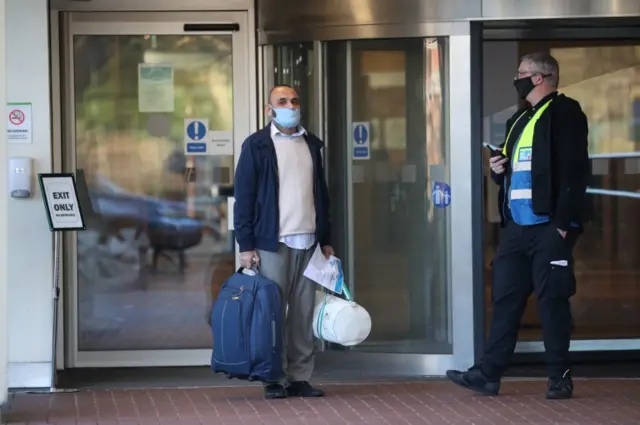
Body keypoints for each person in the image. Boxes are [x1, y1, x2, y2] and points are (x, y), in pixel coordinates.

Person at [446, 52, 589, 399]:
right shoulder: (519, 120)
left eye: (522, 73)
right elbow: (521, 174)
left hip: (548, 228)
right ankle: (489, 374)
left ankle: (559, 377)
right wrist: (500, 170)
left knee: (552, 301)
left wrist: (562, 225)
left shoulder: (565, 112)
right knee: (506, 299)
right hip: (517, 229)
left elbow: (574, 170)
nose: (517, 79)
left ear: (540, 77)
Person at [234, 84, 333, 399]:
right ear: (269, 109)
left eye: (294, 100)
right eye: (282, 101)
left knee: (303, 315)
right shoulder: (257, 146)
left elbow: (322, 196)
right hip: (271, 243)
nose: (290, 105)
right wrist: (246, 246)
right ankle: (272, 377)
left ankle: (300, 378)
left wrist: (326, 239)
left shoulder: (311, 144)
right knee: (271, 314)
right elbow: (244, 199)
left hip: (309, 242)